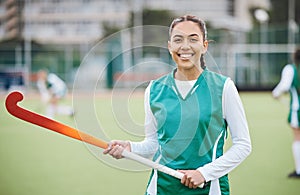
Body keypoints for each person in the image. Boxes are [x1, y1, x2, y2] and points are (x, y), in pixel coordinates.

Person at [103, 15, 252, 195]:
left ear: (204, 46)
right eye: (178, 40)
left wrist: (204, 173)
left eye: (193, 39)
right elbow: (154, 143)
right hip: (161, 189)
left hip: (209, 189)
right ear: (170, 46)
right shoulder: (154, 89)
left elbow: (243, 145)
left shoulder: (224, 87)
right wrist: (130, 148)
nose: (185, 46)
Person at [272, 48, 300, 178]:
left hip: (297, 109)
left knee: (297, 138)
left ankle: (299, 170)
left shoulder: (291, 69)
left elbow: (284, 86)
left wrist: (276, 94)